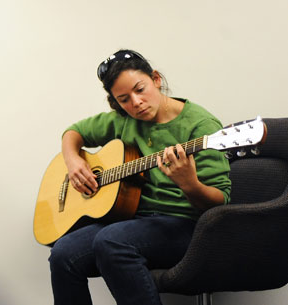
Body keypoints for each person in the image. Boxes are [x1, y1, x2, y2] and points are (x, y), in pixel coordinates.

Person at [47, 49, 232, 305]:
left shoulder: (201, 126)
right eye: (123, 99)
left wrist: (189, 184)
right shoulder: (124, 120)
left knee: (110, 240)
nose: (135, 103)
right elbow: (73, 132)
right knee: (63, 253)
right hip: (133, 219)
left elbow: (219, 202)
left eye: (140, 89)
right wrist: (73, 160)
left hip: (185, 225)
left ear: (156, 79)